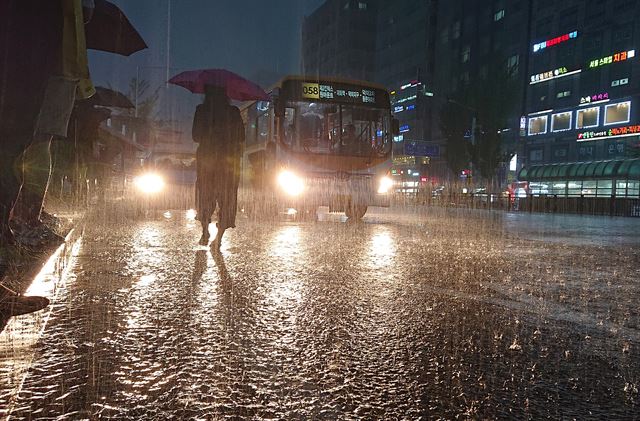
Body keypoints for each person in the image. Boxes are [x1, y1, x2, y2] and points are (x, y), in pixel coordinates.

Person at [192, 86, 244, 250]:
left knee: (205, 195)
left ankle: (205, 232)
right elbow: (241, 136)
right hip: (228, 163)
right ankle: (219, 238)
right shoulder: (233, 112)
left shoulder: (201, 110)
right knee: (227, 199)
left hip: (207, 161)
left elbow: (195, 136)